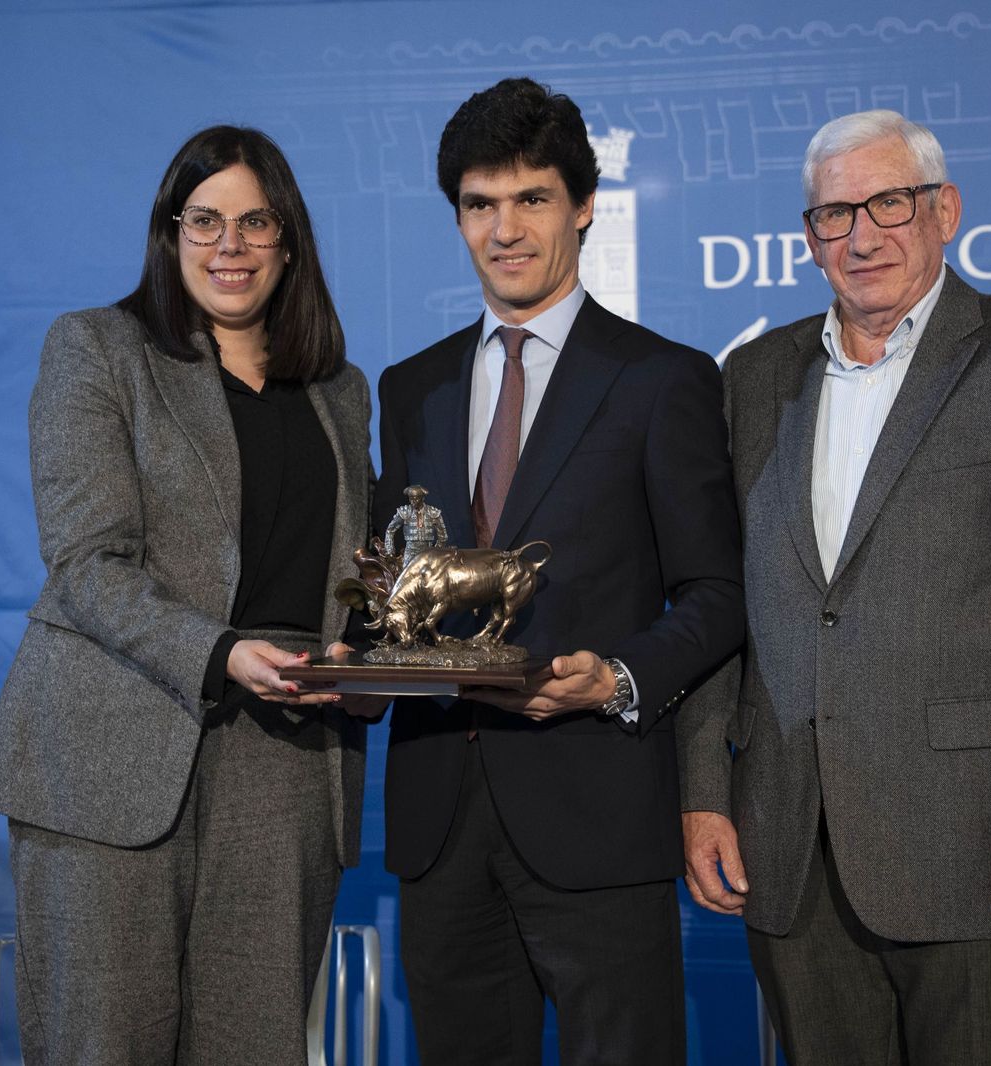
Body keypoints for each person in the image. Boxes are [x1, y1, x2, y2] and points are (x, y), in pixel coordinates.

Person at [678, 108, 991, 1065]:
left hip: (975, 853)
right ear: (808, 238)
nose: (861, 236)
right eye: (833, 214)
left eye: (887, 203)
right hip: (790, 851)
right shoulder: (756, 376)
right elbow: (716, 603)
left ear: (945, 211)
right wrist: (703, 792)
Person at [0, 125, 379, 1065]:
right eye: (205, 220)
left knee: (258, 1045)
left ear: (289, 239)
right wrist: (219, 651)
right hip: (115, 746)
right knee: (103, 1045)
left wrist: (372, 656)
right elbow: (88, 562)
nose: (229, 246)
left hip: (287, 758)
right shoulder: (98, 349)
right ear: (170, 232)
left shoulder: (339, 389)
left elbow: (359, 576)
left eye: (254, 222)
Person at [373, 77, 743, 1065]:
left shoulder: (661, 379)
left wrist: (618, 677)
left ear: (582, 205)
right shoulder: (410, 388)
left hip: (595, 809)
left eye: (531, 198)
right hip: (438, 816)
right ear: (455, 217)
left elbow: (717, 591)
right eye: (479, 204)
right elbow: (395, 594)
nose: (504, 228)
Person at [383, 483, 447, 563]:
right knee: (406, 574)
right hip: (410, 552)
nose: (413, 502)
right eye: (411, 499)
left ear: (422, 498)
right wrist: (390, 551)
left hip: (428, 552)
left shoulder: (432, 512)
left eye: (416, 499)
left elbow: (443, 536)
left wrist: (437, 551)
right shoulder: (405, 512)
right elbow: (390, 530)